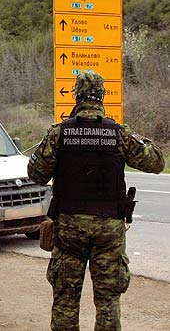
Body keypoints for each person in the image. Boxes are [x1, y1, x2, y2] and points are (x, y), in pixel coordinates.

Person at [27, 72, 164, 331]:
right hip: (109, 230)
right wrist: (132, 136)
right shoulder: (118, 133)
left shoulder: (60, 134)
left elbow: (36, 174)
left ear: (76, 96)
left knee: (66, 300)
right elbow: (156, 161)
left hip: (69, 228)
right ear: (102, 97)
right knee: (108, 300)